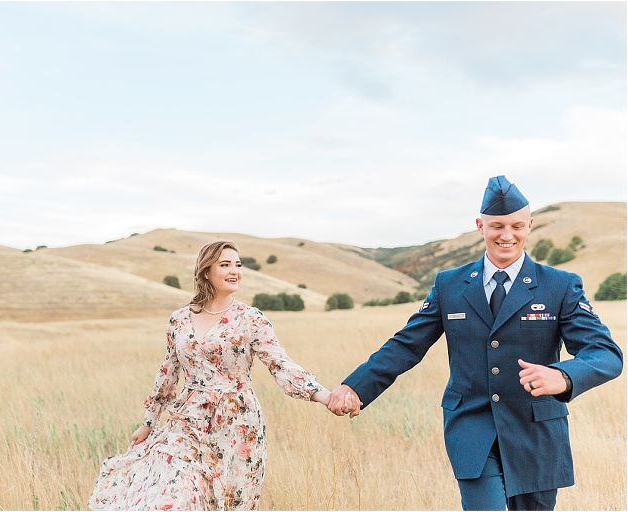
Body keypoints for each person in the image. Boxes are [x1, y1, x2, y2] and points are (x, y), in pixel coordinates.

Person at [326, 175, 623, 511]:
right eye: (497, 226)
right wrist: (356, 388)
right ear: (480, 225)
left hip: (536, 434)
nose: (506, 235)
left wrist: (564, 376)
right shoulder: (449, 285)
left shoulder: (560, 286)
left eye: (516, 226)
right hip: (471, 429)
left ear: (530, 225)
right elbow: (406, 345)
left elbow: (606, 354)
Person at [89, 240, 335, 510]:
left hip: (237, 425)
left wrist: (323, 395)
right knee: (173, 499)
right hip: (187, 421)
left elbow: (281, 365)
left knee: (227, 503)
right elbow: (168, 372)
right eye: (225, 264)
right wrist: (149, 422)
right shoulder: (179, 319)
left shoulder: (251, 319)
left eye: (238, 265)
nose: (235, 271)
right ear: (206, 271)